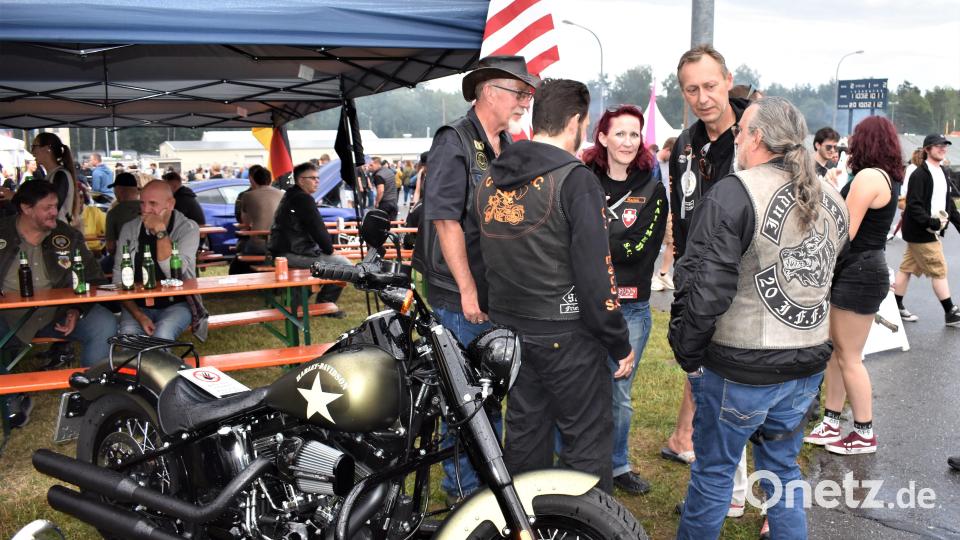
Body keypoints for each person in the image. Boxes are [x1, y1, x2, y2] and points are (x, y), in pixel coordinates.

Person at [671, 96, 848, 540]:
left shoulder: (736, 192)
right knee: (782, 471)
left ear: (757, 137)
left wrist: (687, 351)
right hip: (805, 361)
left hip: (742, 366)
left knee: (715, 473)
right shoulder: (832, 196)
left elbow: (704, 287)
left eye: (740, 132)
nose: (735, 140)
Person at [476, 78, 632, 494]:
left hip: (511, 331)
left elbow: (481, 255)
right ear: (576, 121)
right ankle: (586, 522)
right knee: (585, 442)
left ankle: (527, 518)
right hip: (567, 334)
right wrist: (619, 341)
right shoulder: (575, 179)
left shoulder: (491, 177)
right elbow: (596, 274)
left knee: (525, 434)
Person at [412, 55, 539, 502]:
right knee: (466, 398)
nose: (525, 101)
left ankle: (486, 485)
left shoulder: (507, 142)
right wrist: (467, 290)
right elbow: (445, 220)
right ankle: (464, 494)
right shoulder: (455, 140)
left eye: (528, 94)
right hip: (461, 295)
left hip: (496, 290)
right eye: (519, 92)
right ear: (489, 92)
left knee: (489, 390)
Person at [663, 44, 748, 475]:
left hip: (745, 275)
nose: (703, 97)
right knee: (697, 356)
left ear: (728, 81)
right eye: (692, 90)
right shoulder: (685, 144)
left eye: (710, 86)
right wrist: (681, 266)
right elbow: (681, 211)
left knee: (738, 371)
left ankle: (732, 466)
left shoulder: (755, 135)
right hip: (697, 273)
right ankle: (687, 439)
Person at [581, 104, 666, 495]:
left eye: (634, 134)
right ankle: (579, 465)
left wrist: (595, 240)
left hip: (629, 307)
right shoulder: (583, 180)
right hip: (585, 302)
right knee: (580, 386)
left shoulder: (652, 187)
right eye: (620, 133)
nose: (628, 142)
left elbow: (639, 249)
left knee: (618, 394)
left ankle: (617, 466)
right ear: (603, 137)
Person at [804, 117, 902, 455]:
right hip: (862, 269)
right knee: (838, 352)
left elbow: (845, 230)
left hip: (858, 271)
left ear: (866, 141)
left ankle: (863, 432)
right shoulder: (884, 176)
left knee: (849, 357)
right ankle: (831, 422)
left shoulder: (869, 176)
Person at [0, 180, 116, 366]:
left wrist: (77, 309)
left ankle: (91, 383)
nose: (54, 212)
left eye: (55, 206)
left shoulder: (68, 235)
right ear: (26, 208)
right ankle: (7, 386)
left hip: (56, 314)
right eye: (47, 207)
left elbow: (95, 278)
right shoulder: (2, 232)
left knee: (104, 324)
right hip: (7, 317)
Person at [115, 181, 201, 340]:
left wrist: (160, 231)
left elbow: (174, 273)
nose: (145, 209)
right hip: (137, 306)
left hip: (177, 304)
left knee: (162, 334)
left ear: (170, 204)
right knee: (130, 338)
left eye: (153, 203)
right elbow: (118, 280)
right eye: (142, 203)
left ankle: (160, 357)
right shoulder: (129, 229)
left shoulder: (188, 228)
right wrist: (139, 316)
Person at [894, 134, 960, 326]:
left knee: (906, 268)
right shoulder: (919, 175)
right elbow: (913, 205)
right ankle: (950, 312)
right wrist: (930, 222)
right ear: (927, 149)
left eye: (944, 145)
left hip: (928, 231)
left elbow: (949, 203)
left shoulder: (943, 172)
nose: (942, 148)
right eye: (938, 145)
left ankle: (896, 306)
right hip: (922, 232)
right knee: (939, 269)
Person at [268, 162, 350, 312]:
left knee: (326, 266)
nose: (317, 181)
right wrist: (330, 250)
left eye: (318, 178)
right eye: (312, 178)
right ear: (301, 180)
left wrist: (326, 250)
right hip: (291, 253)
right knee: (344, 265)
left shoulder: (291, 195)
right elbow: (318, 229)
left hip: (283, 252)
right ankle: (325, 304)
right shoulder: (303, 199)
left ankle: (298, 300)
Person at [233, 165, 283, 272]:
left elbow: (245, 222)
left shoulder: (247, 195)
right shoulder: (282, 194)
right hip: (280, 243)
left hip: (258, 244)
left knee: (239, 255)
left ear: (253, 180)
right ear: (270, 180)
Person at [30, 132, 82, 227]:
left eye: (34, 147)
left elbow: (50, 206)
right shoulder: (52, 175)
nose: (32, 152)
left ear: (47, 149)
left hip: (59, 230)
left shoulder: (60, 175)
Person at [102, 172, 141, 273]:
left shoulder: (114, 213)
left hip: (125, 260)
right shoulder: (148, 207)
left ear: (118, 190)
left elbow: (111, 247)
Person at [652, 136, 677, 292]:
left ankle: (663, 273)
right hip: (653, 208)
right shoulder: (651, 163)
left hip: (668, 209)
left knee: (673, 241)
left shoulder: (671, 164)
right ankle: (649, 276)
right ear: (667, 150)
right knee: (651, 243)